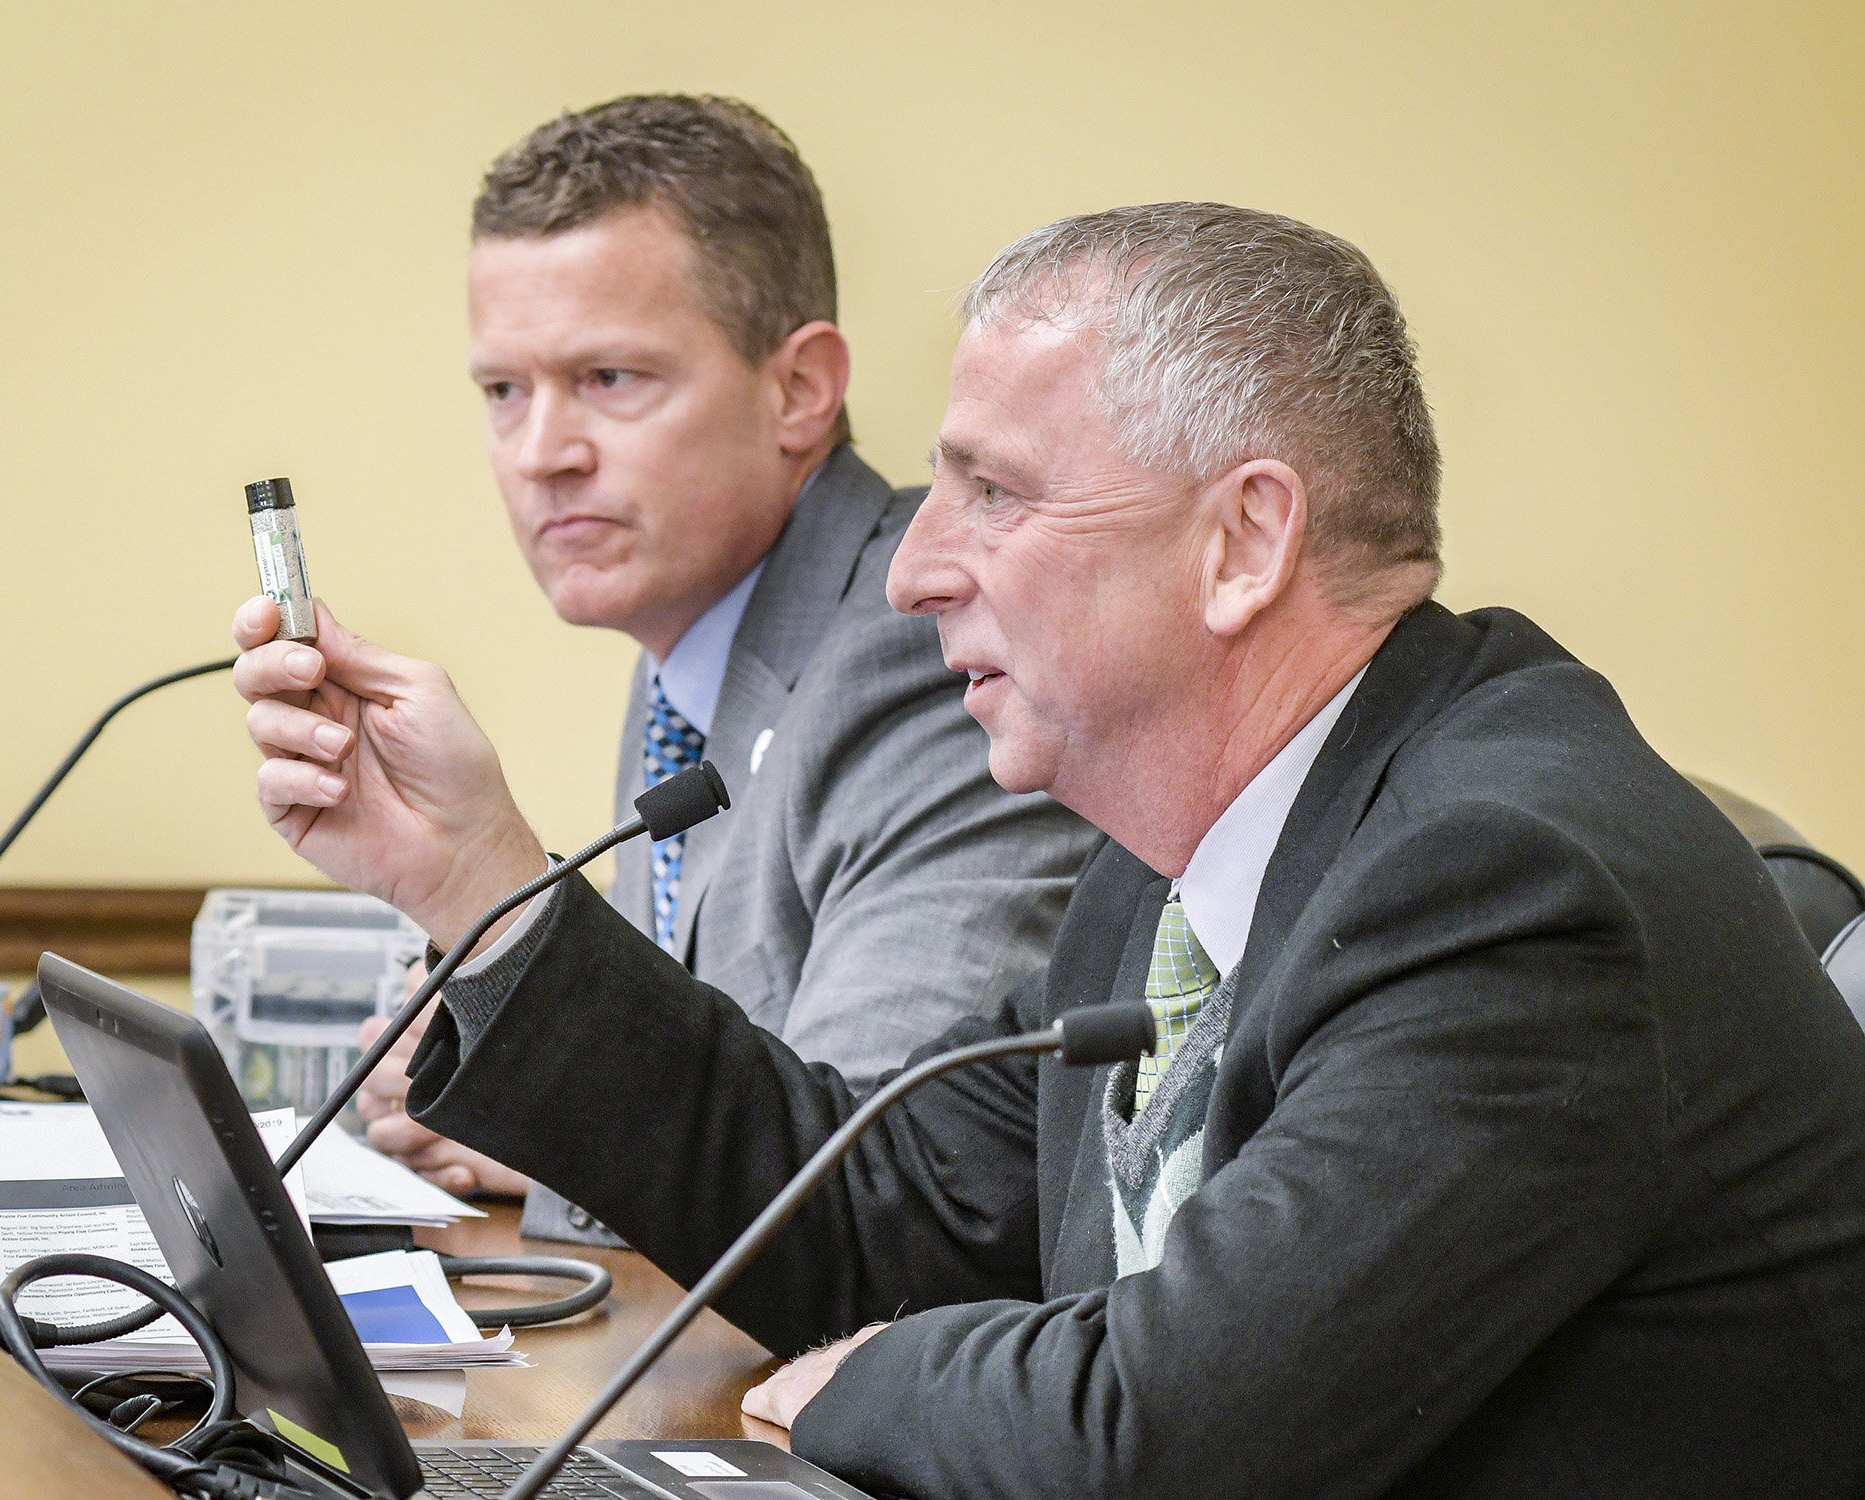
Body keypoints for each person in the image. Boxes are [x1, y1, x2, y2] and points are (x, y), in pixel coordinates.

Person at [276, 201, 1865, 1495]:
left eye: (995, 494)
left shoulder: (1507, 881)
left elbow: (1175, 1434)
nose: (909, 571)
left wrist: (882, 1374)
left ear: (1242, 541)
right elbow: (866, 1210)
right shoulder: (1180, 859)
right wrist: (476, 878)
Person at [233, 95, 1096, 1244]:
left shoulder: (932, 648)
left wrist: (536, 1129)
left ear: (799, 390)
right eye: (504, 392)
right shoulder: (690, 650)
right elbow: (724, 1060)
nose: (544, 454)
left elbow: (868, 1196)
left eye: (611, 380)